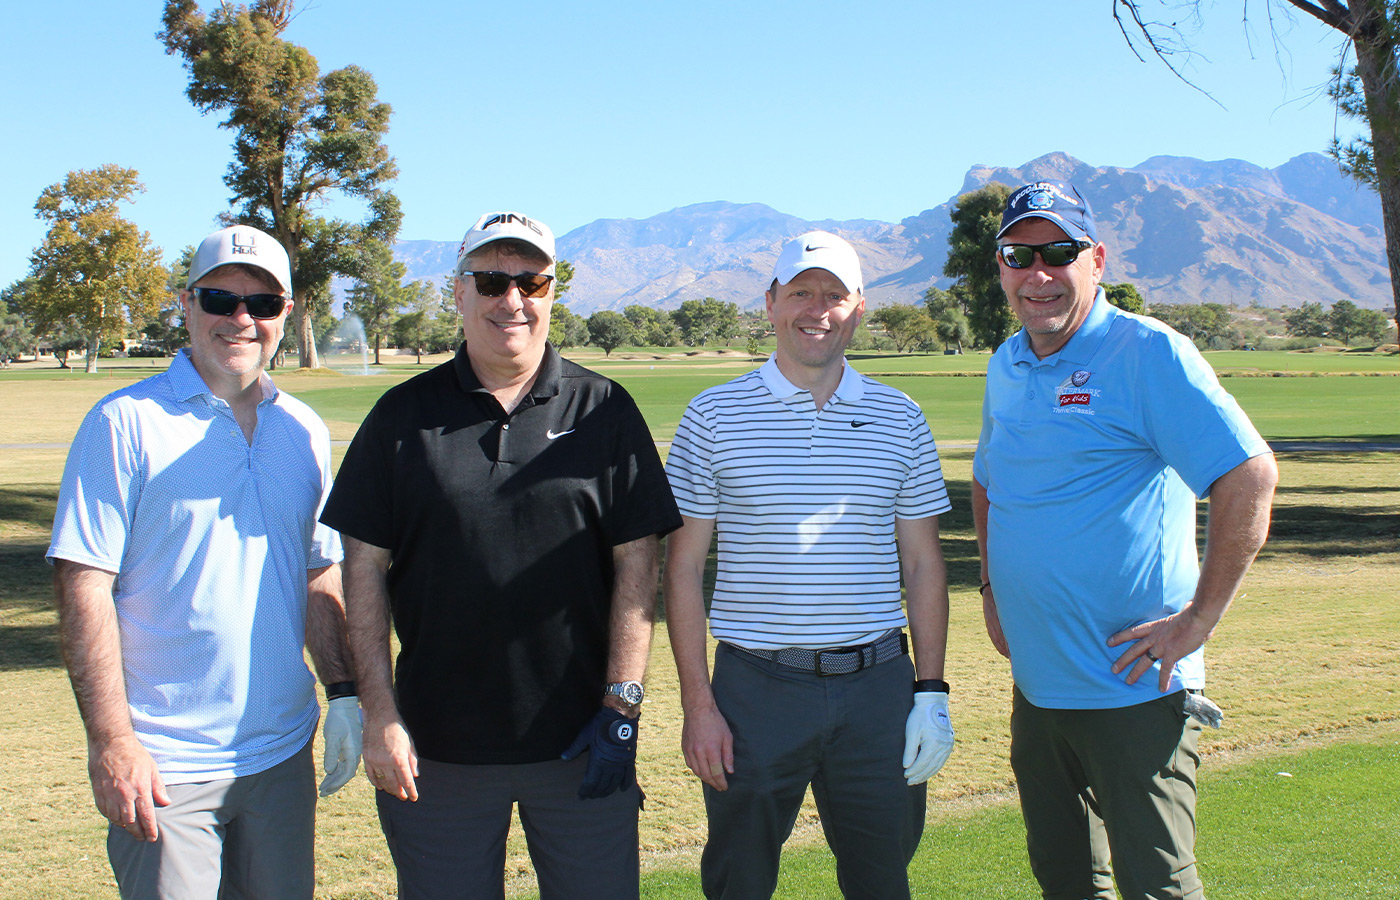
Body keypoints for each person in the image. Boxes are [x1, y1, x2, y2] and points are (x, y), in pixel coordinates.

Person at [320, 211, 681, 900]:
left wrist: (622, 706)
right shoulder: (401, 416)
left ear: (552, 294)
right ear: (458, 293)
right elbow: (362, 568)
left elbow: (639, 567)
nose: (512, 299)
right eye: (491, 281)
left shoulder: (606, 408)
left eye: (532, 281)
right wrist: (379, 713)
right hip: (435, 752)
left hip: (581, 742)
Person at [973, 181, 1279, 900]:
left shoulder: (1147, 353)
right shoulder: (1006, 362)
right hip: (1039, 690)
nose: (1038, 272)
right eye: (1020, 254)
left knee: (1156, 885)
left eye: (1059, 252)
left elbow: (1249, 477)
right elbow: (990, 483)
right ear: (1001, 267)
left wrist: (1197, 622)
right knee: (1067, 880)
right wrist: (991, 590)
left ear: (1097, 259)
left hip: (1135, 690)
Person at [47, 224, 360, 899]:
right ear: (187, 304)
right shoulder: (124, 422)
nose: (241, 319)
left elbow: (316, 570)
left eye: (264, 304)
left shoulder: (302, 430)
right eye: (221, 299)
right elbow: (83, 585)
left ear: (287, 315)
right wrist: (112, 743)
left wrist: (343, 693)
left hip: (280, 754)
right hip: (165, 766)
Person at [664, 231, 956, 900]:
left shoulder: (900, 417)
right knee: (739, 881)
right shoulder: (712, 415)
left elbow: (922, 563)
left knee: (882, 881)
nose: (816, 310)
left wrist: (931, 694)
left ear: (859, 310)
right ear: (770, 303)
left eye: (833, 295)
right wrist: (698, 703)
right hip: (754, 688)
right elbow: (681, 569)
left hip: (878, 685)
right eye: (800, 292)